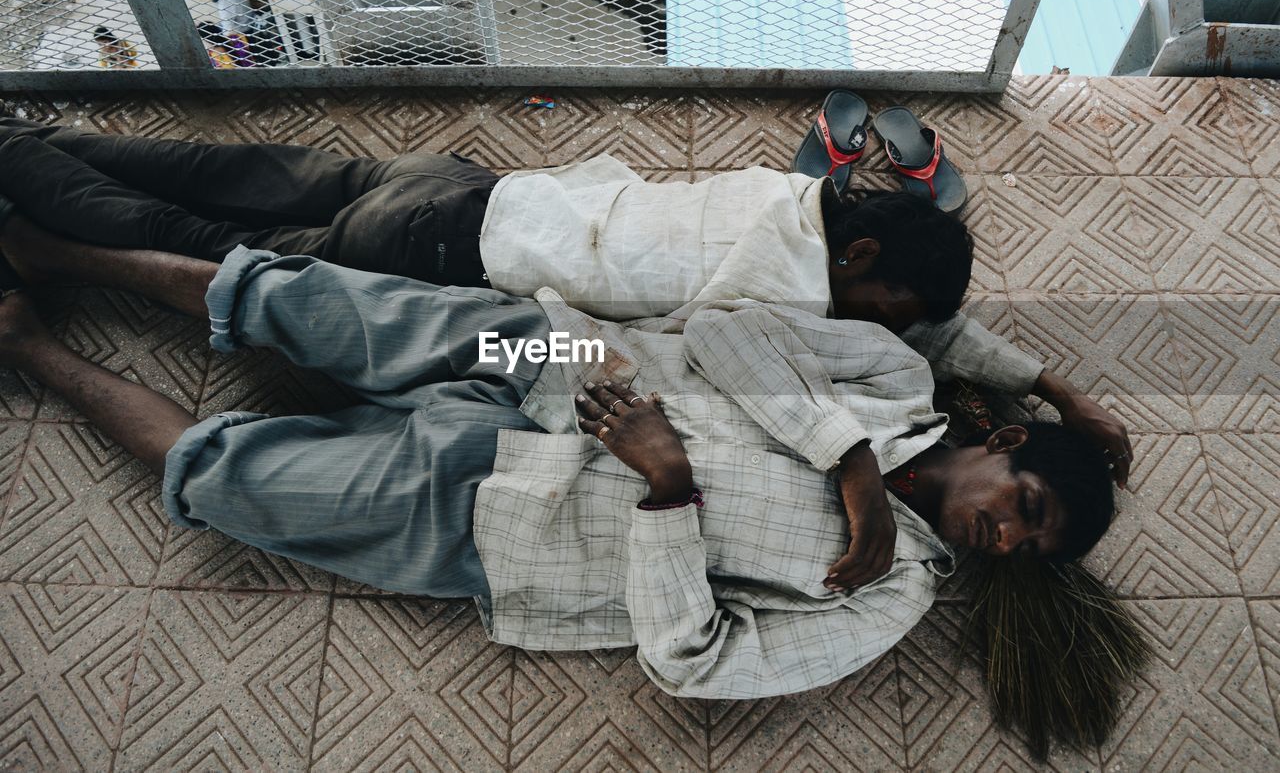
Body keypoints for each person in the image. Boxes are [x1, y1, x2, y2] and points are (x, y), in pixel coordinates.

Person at [0, 219, 1116, 697]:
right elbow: (730, 328)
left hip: (503, 524)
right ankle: (52, 249)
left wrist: (667, 487)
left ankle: (29, 342)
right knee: (303, 304)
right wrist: (850, 465)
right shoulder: (894, 383)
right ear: (1001, 441)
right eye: (1019, 502)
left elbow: (696, 661)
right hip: (561, 355)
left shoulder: (883, 602)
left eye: (1023, 545)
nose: (1002, 535)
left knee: (227, 479)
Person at [0, 120, 1133, 489]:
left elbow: (935, 325)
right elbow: (743, 348)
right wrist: (853, 470)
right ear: (865, 255)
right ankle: (35, 219)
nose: (885, 328)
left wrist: (1053, 385)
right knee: (193, 247)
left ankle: (30, 141)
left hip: (475, 186)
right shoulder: (778, 288)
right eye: (882, 306)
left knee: (221, 172)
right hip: (443, 254)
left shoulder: (792, 201)